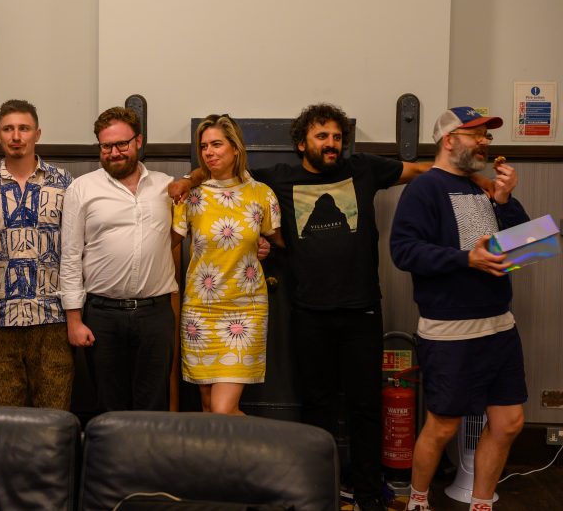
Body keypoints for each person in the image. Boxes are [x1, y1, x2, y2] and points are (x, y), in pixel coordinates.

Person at [169, 103, 436, 511]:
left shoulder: (358, 170)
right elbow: (216, 183)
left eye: (336, 137)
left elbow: (414, 171)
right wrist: (191, 177)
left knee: (364, 406)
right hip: (285, 311)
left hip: (352, 308)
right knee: (307, 406)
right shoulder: (274, 179)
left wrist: (470, 177)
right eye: (321, 136)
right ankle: (315, 490)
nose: (331, 144)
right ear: (302, 143)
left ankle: (363, 493)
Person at [391, 107, 528, 511]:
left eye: (487, 136)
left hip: (500, 324)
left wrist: (504, 201)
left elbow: (518, 246)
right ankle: (417, 501)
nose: (486, 142)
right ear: (449, 140)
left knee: (509, 423)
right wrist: (465, 260)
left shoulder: (484, 188)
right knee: (444, 424)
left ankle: (481, 504)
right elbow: (403, 251)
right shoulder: (423, 190)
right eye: (477, 135)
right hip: (451, 329)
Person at [60, 106, 178, 412]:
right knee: (109, 408)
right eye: (106, 146)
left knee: (153, 405)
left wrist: (257, 242)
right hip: (102, 315)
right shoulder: (82, 189)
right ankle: (110, 462)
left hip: (156, 314)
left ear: (139, 141)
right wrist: (74, 320)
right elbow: (70, 256)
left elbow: (209, 222)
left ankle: (147, 461)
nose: (114, 152)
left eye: (122, 144)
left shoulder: (166, 186)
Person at [171, 114, 284, 415]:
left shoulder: (262, 194)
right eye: (204, 146)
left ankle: (274, 447)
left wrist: (267, 248)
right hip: (200, 310)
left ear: (235, 148)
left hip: (245, 309)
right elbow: (169, 242)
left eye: (217, 144)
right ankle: (225, 464)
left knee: (222, 410)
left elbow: (282, 243)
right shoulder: (192, 195)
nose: (209, 151)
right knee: (209, 410)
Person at [0, 100, 74, 409]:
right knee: (5, 422)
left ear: (37, 133)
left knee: (54, 418)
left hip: (52, 319)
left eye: (24, 128)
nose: (16, 136)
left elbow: (75, 251)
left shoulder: (64, 183)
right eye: (8, 129)